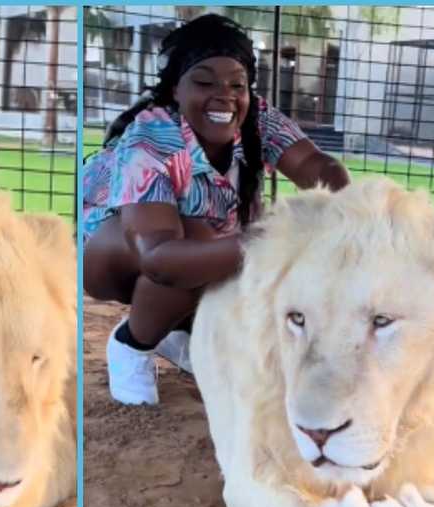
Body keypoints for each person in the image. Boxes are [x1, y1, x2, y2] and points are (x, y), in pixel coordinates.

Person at [83, 14, 350, 405]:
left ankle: (177, 333)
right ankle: (132, 343)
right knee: (199, 242)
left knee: (220, 253)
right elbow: (157, 257)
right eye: (205, 82)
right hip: (114, 256)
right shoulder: (152, 138)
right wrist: (267, 241)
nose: (224, 95)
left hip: (210, 246)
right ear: (176, 88)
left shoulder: (257, 118)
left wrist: (349, 208)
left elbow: (316, 166)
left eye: (236, 84)